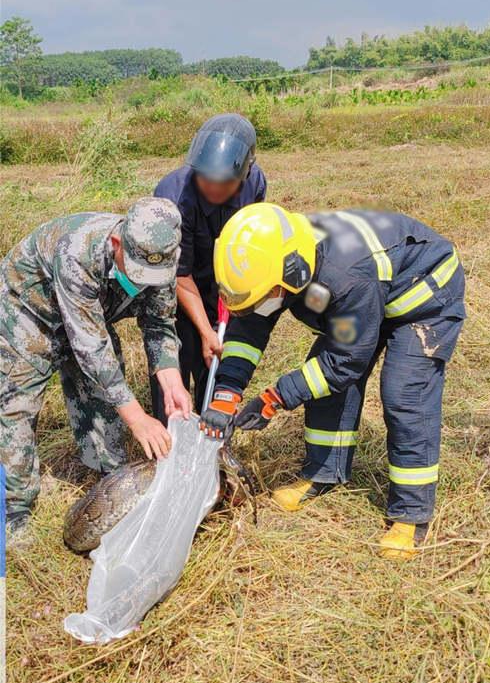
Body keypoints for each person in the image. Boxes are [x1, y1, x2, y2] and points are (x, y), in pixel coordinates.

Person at [198, 203, 465, 560]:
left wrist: (275, 398)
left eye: (267, 296)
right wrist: (227, 392)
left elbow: (345, 362)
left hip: (423, 296)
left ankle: (411, 514)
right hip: (365, 298)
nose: (263, 303)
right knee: (322, 383)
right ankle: (324, 474)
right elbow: (249, 328)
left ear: (294, 272)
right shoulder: (280, 260)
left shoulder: (344, 275)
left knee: (404, 394)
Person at [1, 197, 191, 542]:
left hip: (90, 318)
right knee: (16, 406)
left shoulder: (160, 258)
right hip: (28, 313)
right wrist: (138, 419)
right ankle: (14, 511)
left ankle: (107, 475)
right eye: (137, 272)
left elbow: (159, 325)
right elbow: (90, 348)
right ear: (117, 244)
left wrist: (172, 382)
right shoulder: (78, 251)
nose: (144, 282)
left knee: (103, 392)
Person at [151, 113, 266, 421]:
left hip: (220, 283)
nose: (213, 188)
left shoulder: (255, 182)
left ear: (244, 173)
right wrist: (204, 330)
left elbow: (251, 239)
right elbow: (179, 273)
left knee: (216, 359)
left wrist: (224, 316)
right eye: (206, 179)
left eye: (225, 182)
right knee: (176, 358)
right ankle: (169, 431)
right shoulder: (174, 197)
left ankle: (209, 427)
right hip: (174, 287)